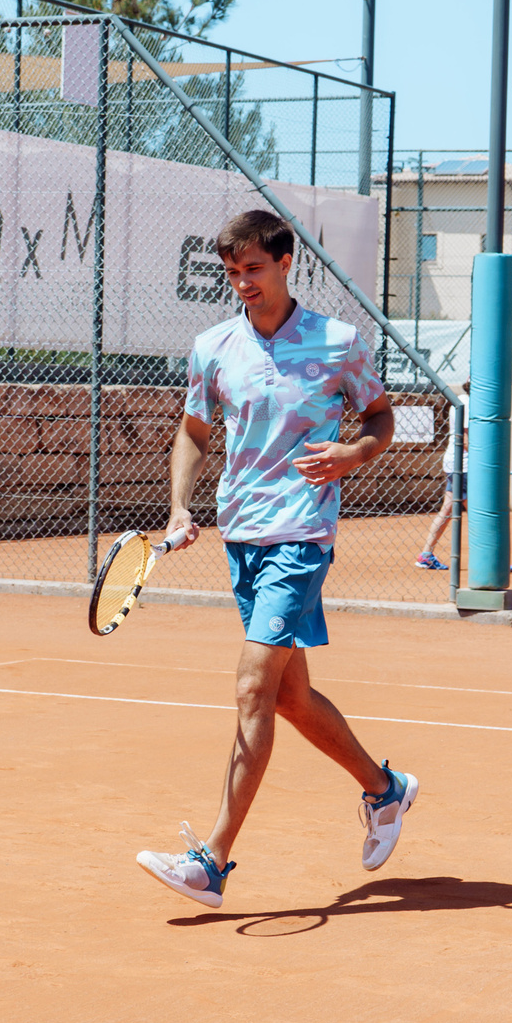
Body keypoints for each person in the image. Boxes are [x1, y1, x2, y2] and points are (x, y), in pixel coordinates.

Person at [134, 210, 417, 910]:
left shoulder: (337, 343)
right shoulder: (214, 347)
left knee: (253, 687)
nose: (244, 284)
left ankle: (213, 860)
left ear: (287, 262)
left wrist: (355, 451)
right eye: (233, 274)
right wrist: (179, 505)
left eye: (254, 270)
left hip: (302, 534)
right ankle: (386, 790)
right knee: (290, 697)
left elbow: (381, 417)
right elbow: (195, 432)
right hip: (243, 536)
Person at [414, 379, 471, 571]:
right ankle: (491, 560)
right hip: (464, 466)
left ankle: (426, 555)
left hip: (457, 464)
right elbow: (465, 439)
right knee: (479, 513)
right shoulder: (469, 403)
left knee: (447, 509)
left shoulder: (461, 400)